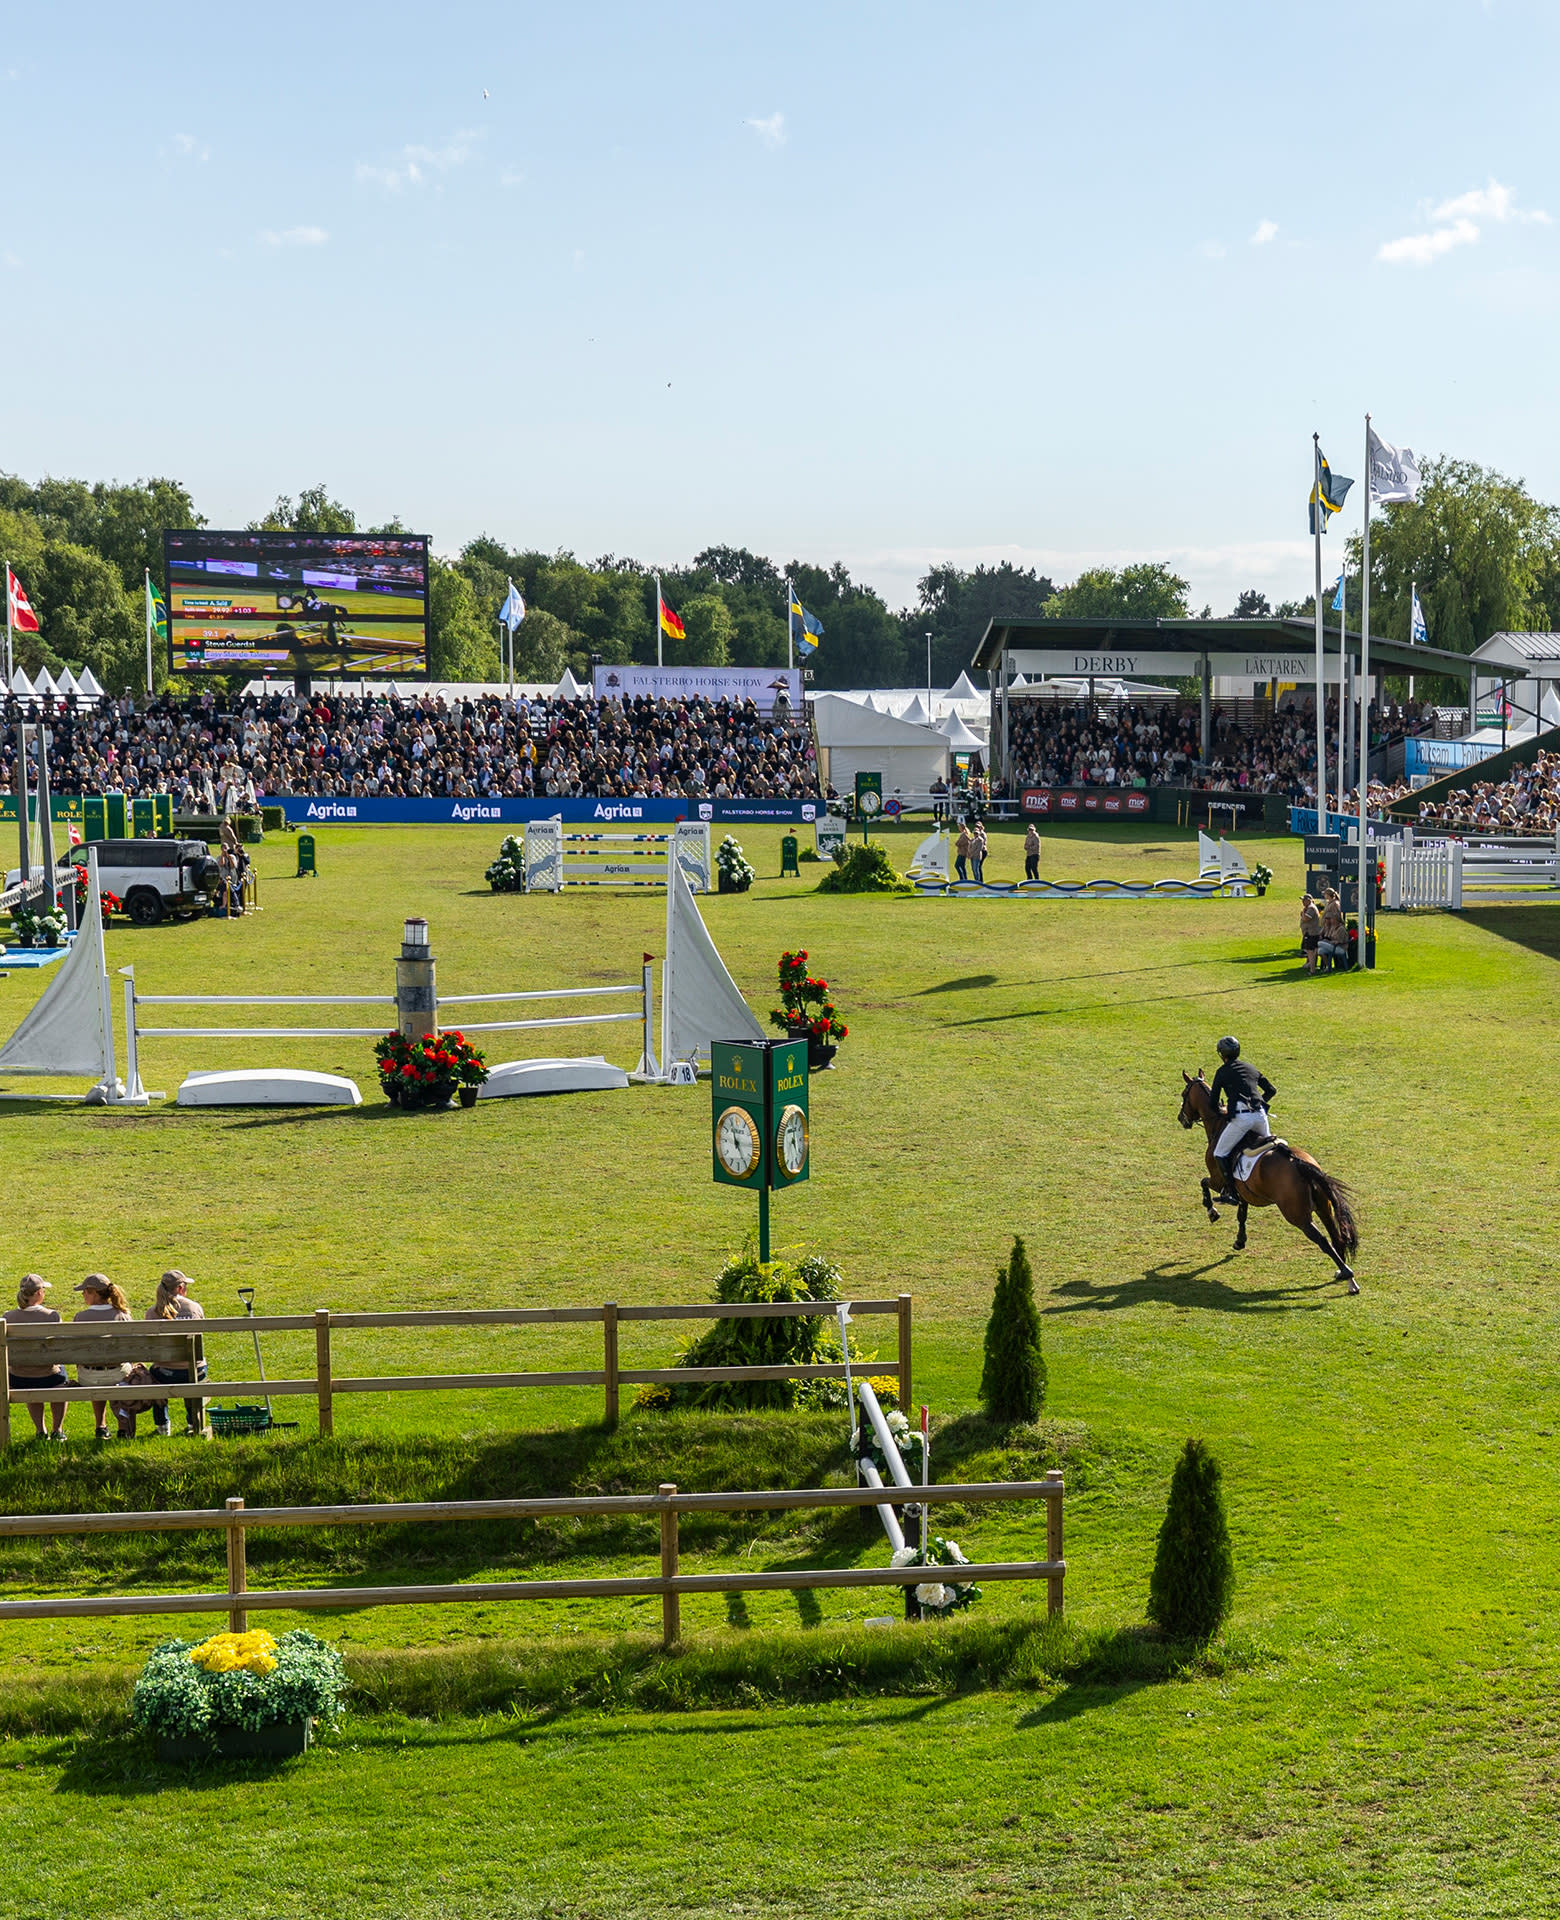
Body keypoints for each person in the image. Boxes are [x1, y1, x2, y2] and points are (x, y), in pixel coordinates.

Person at [1208, 1035, 1277, 1204]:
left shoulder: (1222, 1072)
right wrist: (1258, 1102)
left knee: (1219, 1153)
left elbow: (1212, 1102)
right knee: (1270, 1148)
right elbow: (1271, 1090)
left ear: (1222, 1054)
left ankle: (1232, 1193)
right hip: (1260, 1116)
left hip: (1242, 1119)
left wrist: (1223, 1111)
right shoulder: (1250, 1067)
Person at [72, 1274, 135, 1440]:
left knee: (94, 1373)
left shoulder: (80, 1317)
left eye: (84, 1291)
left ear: (94, 1293)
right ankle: (123, 1427)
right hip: (119, 1373)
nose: (83, 1295)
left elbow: (75, 1349)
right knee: (123, 1371)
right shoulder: (123, 1315)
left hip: (89, 1377)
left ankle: (100, 1426)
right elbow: (132, 1348)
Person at [146, 1270, 208, 1437]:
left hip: (165, 1373)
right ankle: (193, 1422)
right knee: (192, 1371)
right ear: (181, 1288)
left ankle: (162, 1426)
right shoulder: (194, 1307)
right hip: (195, 1371)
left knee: (153, 1374)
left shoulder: (152, 1312)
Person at [5, 1275, 67, 1441]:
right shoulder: (52, 1316)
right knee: (60, 1375)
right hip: (49, 1377)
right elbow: (62, 1348)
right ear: (39, 1293)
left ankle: (40, 1430)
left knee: (30, 1373)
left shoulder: (8, 1317)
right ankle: (57, 1430)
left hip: (19, 1377)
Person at [1318, 889, 1347, 972]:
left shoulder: (1335, 904)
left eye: (1325, 894)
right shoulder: (1329, 903)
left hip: (1338, 946)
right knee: (1320, 950)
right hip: (1329, 932)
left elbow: (1336, 914)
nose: (1324, 895)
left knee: (1319, 943)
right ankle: (1328, 967)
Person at [1299, 894, 1321, 975]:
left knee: (1310, 952)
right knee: (1311, 951)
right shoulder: (1308, 908)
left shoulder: (1311, 908)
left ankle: (1312, 970)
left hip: (1311, 933)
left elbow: (1306, 918)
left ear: (1308, 900)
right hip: (1311, 932)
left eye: (1304, 900)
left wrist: (1302, 913)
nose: (1302, 902)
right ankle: (1311, 966)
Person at [971, 820, 988, 884]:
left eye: (978, 826)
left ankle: (980, 881)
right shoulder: (976, 833)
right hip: (978, 851)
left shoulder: (982, 834)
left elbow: (982, 843)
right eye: (976, 826)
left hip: (983, 851)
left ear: (981, 826)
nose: (977, 827)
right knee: (977, 867)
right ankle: (979, 880)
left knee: (978, 867)